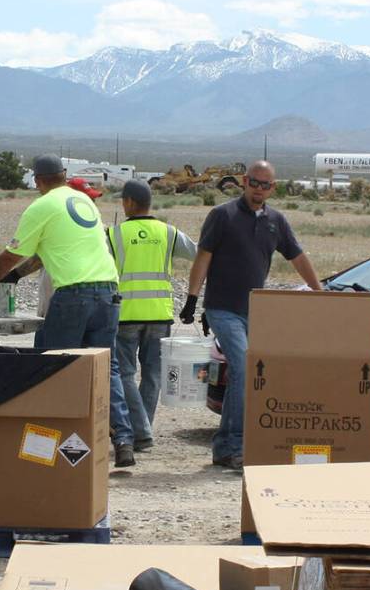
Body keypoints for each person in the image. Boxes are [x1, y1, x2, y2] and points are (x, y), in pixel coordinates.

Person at [0, 154, 136, 468]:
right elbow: (47, 252)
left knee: (52, 364)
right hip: (108, 290)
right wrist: (19, 276)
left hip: (74, 293)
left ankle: (47, 441)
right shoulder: (83, 202)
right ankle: (124, 439)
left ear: (37, 181)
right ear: (63, 175)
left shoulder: (42, 206)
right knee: (107, 366)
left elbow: (11, 255)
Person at [180, 160, 321, 470]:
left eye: (266, 185)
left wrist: (320, 292)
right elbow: (203, 257)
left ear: (273, 188)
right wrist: (192, 300)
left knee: (254, 373)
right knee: (243, 366)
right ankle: (229, 445)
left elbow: (298, 257)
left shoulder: (276, 221)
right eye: (254, 183)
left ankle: (245, 442)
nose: (259, 190)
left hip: (256, 311)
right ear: (244, 181)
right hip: (222, 308)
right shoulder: (222, 216)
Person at [107, 179, 198, 452]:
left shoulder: (114, 234)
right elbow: (199, 253)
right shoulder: (169, 233)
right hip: (159, 315)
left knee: (123, 373)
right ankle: (144, 430)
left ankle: (141, 430)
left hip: (126, 314)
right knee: (153, 375)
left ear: (129, 203)